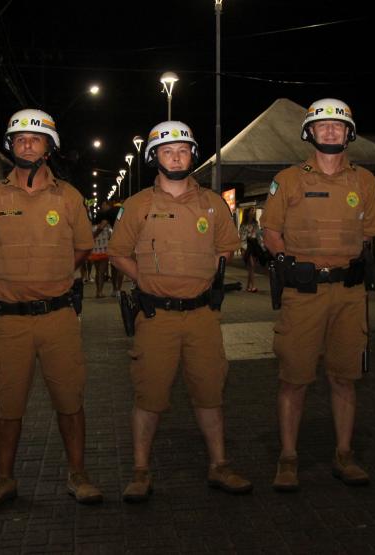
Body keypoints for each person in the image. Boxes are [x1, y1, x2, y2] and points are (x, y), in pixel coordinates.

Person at [108, 120, 250, 502]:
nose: (175, 157)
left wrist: (208, 275)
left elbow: (227, 246)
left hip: (203, 317)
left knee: (210, 393)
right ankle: (140, 472)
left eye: (183, 151)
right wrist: (146, 280)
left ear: (193, 155)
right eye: (167, 151)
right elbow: (117, 254)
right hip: (156, 319)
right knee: (149, 396)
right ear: (154, 157)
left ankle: (219, 465)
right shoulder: (137, 205)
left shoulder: (212, 203)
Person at [0, 108, 102, 509]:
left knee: (69, 400)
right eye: (20, 139)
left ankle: (78, 475)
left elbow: (82, 248)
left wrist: (51, 276)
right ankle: (3, 479)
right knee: (8, 404)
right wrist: (14, 274)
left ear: (49, 146)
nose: (27, 145)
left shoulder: (69, 197)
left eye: (35, 138)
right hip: (10, 319)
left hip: (59, 317)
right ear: (11, 146)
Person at [261, 98, 375, 491]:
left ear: (349, 133)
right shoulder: (288, 179)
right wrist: (285, 260)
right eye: (322, 125)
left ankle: (344, 455)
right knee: (294, 378)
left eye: (338, 125)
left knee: (345, 378)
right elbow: (271, 231)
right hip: (304, 293)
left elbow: (370, 234)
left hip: (349, 293)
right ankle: (288, 458)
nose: (330, 130)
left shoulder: (364, 181)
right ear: (309, 132)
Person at [239, 208, 261, 292]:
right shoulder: (243, 225)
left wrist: (261, 246)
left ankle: (248, 286)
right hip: (246, 246)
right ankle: (253, 286)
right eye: (251, 211)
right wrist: (243, 249)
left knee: (251, 267)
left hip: (254, 245)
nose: (253, 212)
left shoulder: (255, 224)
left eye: (253, 211)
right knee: (251, 265)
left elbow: (258, 235)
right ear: (247, 213)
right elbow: (242, 237)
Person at [90, 219, 112, 298]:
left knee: (98, 271)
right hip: (103, 249)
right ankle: (100, 291)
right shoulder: (105, 223)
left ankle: (98, 291)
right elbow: (109, 234)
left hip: (95, 249)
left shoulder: (92, 225)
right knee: (101, 272)